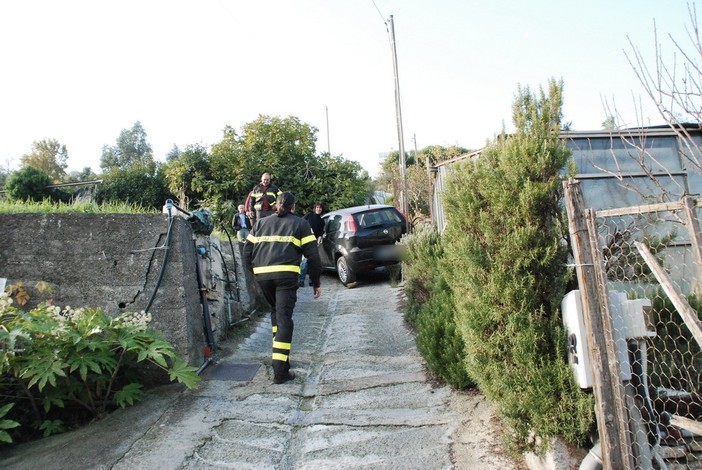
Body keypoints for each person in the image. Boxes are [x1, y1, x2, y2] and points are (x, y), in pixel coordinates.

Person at [243, 192, 322, 384]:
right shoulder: (301, 224)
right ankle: (280, 371)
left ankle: (282, 360)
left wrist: (255, 274)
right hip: (286, 278)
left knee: (276, 314)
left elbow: (246, 252)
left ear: (275, 204)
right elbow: (313, 256)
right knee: (285, 318)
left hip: (263, 276)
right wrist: (316, 282)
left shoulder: (260, 223)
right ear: (293, 207)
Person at [299, 202, 325, 286]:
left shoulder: (321, 221)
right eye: (317, 207)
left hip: (314, 243)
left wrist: (320, 238)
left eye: (320, 208)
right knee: (305, 261)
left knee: (313, 262)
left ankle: (311, 280)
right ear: (314, 208)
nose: (318, 209)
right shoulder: (309, 215)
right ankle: (301, 280)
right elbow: (301, 223)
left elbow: (321, 232)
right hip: (305, 241)